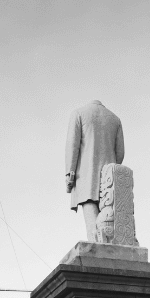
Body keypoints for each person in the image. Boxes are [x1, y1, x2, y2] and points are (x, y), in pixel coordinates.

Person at [65, 100, 125, 241]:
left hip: (87, 178)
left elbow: (72, 145)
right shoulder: (115, 119)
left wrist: (70, 173)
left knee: (93, 229)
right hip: (109, 180)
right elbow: (120, 153)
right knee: (107, 225)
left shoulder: (78, 113)